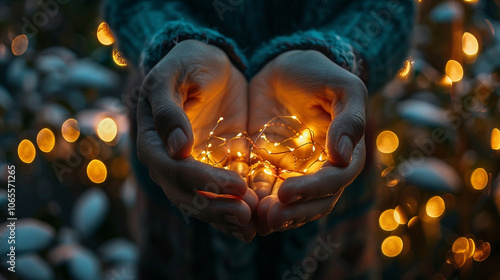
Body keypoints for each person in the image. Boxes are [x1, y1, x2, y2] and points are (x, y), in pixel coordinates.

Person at [104, 0, 415, 278]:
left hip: (328, 122)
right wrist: (172, 46)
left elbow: (392, 7)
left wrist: (339, 55)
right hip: (182, 119)